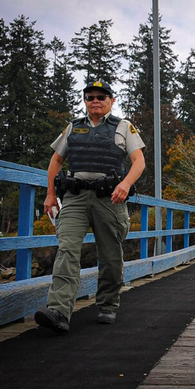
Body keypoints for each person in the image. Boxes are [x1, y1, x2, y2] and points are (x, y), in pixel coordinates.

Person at [35, 80, 146, 333]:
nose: (95, 101)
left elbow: (138, 161)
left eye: (101, 96)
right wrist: (50, 194)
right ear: (85, 100)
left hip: (109, 197)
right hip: (75, 196)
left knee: (109, 253)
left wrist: (126, 184)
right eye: (90, 97)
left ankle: (108, 304)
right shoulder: (73, 127)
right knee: (67, 249)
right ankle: (59, 311)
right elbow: (56, 160)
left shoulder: (123, 127)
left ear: (111, 100)